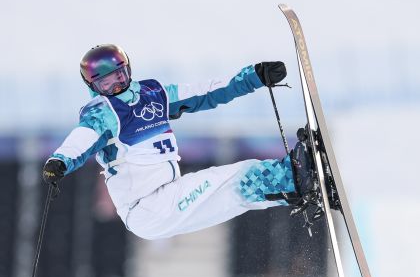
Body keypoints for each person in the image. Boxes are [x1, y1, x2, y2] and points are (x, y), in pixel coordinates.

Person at [43, 45, 314, 239]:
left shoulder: (153, 93)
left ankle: (303, 187)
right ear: (93, 87)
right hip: (146, 206)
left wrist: (253, 77)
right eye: (107, 84)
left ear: (128, 70)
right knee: (235, 177)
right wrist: (60, 161)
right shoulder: (103, 112)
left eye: (120, 76)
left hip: (168, 196)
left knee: (236, 195)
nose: (117, 87)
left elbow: (205, 93)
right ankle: (292, 176)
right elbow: (82, 139)